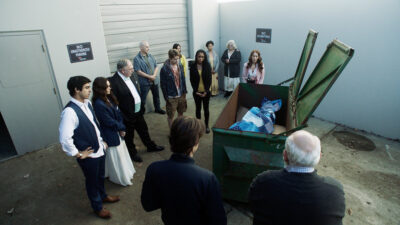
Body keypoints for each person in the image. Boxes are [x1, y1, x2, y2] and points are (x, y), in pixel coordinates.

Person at [141, 116, 227, 225]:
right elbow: (218, 220)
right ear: (195, 143)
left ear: (171, 140)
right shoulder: (207, 179)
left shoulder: (154, 169)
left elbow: (148, 205)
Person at [249, 130, 345, 225]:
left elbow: (252, 206)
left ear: (285, 155)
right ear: (319, 157)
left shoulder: (263, 182)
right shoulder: (335, 191)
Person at [59, 76, 120, 219]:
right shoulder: (69, 112)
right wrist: (78, 154)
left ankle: (104, 196)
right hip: (88, 155)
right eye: (86, 88)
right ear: (76, 89)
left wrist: (103, 142)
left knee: (100, 177)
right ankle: (97, 207)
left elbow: (94, 124)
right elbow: (64, 139)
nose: (89, 90)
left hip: (99, 149)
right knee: (92, 182)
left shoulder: (87, 103)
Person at [109, 59, 164, 163]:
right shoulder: (113, 82)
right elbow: (114, 103)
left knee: (144, 130)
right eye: (130, 69)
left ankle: (150, 146)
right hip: (127, 115)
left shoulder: (132, 75)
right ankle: (133, 153)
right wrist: (122, 116)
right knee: (129, 137)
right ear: (122, 70)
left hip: (138, 112)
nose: (133, 70)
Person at [92, 77, 136, 186]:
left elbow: (118, 113)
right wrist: (121, 128)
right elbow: (108, 121)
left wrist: (121, 127)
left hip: (117, 131)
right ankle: (119, 177)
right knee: (117, 156)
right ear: (100, 89)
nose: (109, 88)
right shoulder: (98, 104)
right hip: (111, 133)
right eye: (107, 86)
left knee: (122, 153)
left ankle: (126, 172)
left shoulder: (109, 98)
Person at [133, 40, 166, 114]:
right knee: (143, 99)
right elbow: (138, 71)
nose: (149, 48)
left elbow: (156, 66)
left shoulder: (150, 56)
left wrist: (153, 76)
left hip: (154, 80)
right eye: (147, 47)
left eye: (148, 47)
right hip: (145, 83)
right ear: (141, 47)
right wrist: (149, 77)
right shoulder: (136, 59)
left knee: (156, 96)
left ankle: (157, 108)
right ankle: (140, 113)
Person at [160, 49, 187, 128]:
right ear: (170, 58)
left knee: (181, 113)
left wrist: (184, 92)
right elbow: (163, 84)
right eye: (175, 59)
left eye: (178, 58)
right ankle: (172, 132)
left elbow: (183, 79)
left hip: (181, 94)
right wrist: (166, 97)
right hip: (171, 96)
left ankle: (179, 128)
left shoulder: (180, 65)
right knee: (171, 116)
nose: (177, 60)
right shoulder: (164, 69)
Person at [190, 49, 212, 134]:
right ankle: (198, 126)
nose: (201, 58)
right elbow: (191, 80)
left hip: (206, 92)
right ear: (196, 57)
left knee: (206, 109)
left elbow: (209, 79)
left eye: (202, 57)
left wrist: (206, 91)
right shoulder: (193, 66)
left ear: (204, 57)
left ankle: (206, 126)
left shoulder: (207, 66)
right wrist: (196, 91)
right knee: (198, 109)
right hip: (197, 92)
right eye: (199, 56)